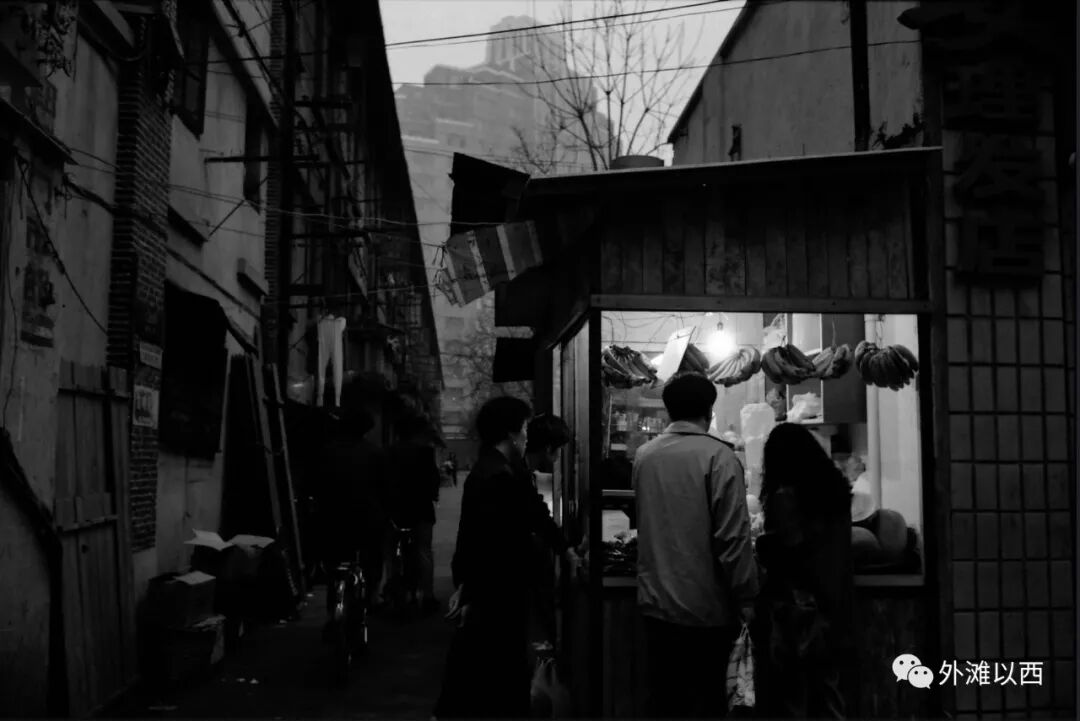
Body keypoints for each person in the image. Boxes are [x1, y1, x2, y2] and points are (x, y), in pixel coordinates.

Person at [434, 396, 581, 720]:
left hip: (492, 590)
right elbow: (491, 539)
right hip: (498, 592)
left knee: (483, 670)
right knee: (497, 673)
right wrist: (469, 586)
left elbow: (531, 514)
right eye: (525, 428)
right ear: (511, 433)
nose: (528, 436)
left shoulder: (498, 468)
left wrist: (563, 548)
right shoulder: (499, 476)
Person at [632, 371, 759, 719]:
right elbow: (733, 538)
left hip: (656, 606)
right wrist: (746, 596)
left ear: (668, 409)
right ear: (709, 409)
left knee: (665, 703)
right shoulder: (720, 457)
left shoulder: (644, 455)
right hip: (706, 610)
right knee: (706, 703)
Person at [754, 422, 853, 719]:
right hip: (833, 602)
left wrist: (761, 544)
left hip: (796, 608)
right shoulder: (835, 491)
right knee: (828, 693)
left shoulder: (785, 496)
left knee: (793, 696)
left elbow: (790, 548)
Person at [314, 407, 389, 610]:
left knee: (334, 565)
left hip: (334, 517)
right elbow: (384, 488)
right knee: (372, 559)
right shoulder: (375, 453)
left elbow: (315, 484)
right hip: (367, 517)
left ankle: (333, 610)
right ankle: (372, 596)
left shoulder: (327, 451)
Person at [523, 413, 572, 645]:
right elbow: (539, 515)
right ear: (548, 448)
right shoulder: (518, 474)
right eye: (558, 449)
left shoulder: (524, 470)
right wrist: (565, 549)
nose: (559, 455)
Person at [386, 416, 442, 614]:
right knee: (424, 551)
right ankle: (428, 596)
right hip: (421, 509)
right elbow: (433, 479)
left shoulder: (388, 452)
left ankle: (393, 591)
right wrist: (433, 494)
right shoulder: (425, 452)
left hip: (395, 510)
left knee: (392, 554)